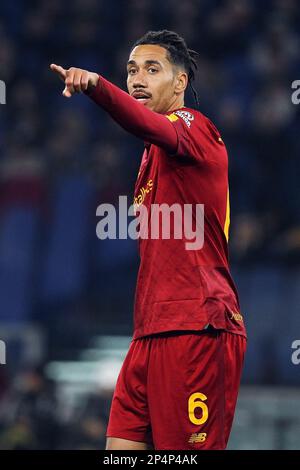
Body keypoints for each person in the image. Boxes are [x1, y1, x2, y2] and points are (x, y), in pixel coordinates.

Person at [50, 29, 247, 451]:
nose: (137, 79)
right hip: (149, 332)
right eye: (131, 70)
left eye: (152, 69)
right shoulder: (151, 157)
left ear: (180, 83)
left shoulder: (193, 127)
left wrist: (97, 86)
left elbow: (141, 120)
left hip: (198, 325)